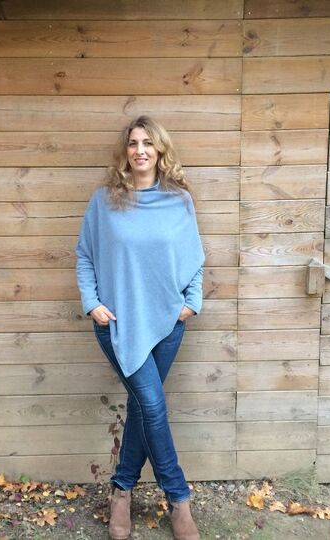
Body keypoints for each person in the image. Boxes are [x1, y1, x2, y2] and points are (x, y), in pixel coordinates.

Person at [75, 115, 205, 540]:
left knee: (142, 407)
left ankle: (121, 490)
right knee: (151, 405)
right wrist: (92, 303)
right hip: (117, 325)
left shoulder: (178, 201)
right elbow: (85, 255)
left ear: (160, 150)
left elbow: (195, 258)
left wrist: (191, 304)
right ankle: (178, 497)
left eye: (148, 143)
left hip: (168, 323)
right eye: (133, 143)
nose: (140, 150)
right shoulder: (105, 201)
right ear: (125, 151)